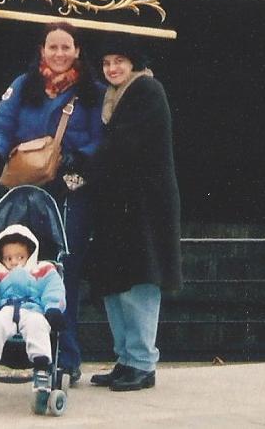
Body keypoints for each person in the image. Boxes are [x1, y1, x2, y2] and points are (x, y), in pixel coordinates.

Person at [0, 21, 105, 384]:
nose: (60, 53)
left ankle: (66, 355)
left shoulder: (92, 93)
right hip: (24, 191)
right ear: (42, 50)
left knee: (63, 271)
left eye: (67, 47)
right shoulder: (24, 85)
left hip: (68, 193)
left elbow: (102, 138)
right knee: (17, 266)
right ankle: (11, 350)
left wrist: (80, 155)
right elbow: (2, 124)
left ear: (78, 50)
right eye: (53, 47)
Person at [86, 35, 182, 392]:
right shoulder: (114, 97)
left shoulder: (146, 91)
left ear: (134, 63)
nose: (112, 68)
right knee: (115, 283)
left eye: (119, 61)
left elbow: (125, 146)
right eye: (107, 62)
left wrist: (83, 165)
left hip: (144, 205)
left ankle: (142, 364)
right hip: (120, 205)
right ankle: (126, 359)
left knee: (139, 281)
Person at [0, 223, 66, 395]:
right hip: (5, 310)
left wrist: (53, 308)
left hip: (33, 310)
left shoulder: (43, 270)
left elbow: (54, 289)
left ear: (30, 255)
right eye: (8, 258)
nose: (14, 262)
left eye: (20, 257)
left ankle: (42, 369)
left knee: (38, 324)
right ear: (1, 258)